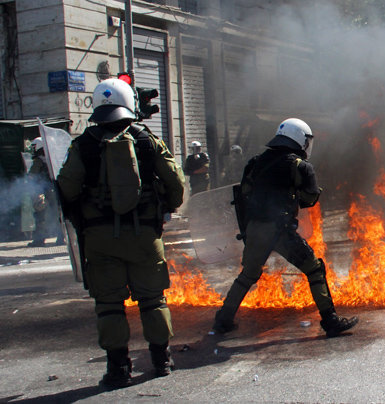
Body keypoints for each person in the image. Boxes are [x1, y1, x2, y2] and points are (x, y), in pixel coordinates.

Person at [57, 78, 185, 388]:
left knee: (109, 304)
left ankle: (118, 369)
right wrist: (162, 209)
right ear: (130, 102)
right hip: (144, 236)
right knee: (153, 300)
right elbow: (176, 184)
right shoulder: (147, 140)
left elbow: (66, 189)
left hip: (100, 240)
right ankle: (161, 360)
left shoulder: (83, 143)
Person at [212, 118, 358, 338]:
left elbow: (244, 192)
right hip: (279, 230)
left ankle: (223, 320)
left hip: (254, 227)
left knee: (248, 274)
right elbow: (310, 200)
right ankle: (330, 321)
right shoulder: (299, 165)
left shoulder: (256, 161)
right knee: (314, 268)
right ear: (300, 139)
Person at [27, 137, 64, 247]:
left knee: (40, 215)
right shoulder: (54, 157)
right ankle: (61, 238)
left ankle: (39, 239)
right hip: (55, 188)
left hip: (42, 190)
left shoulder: (40, 159)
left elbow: (31, 175)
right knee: (57, 215)